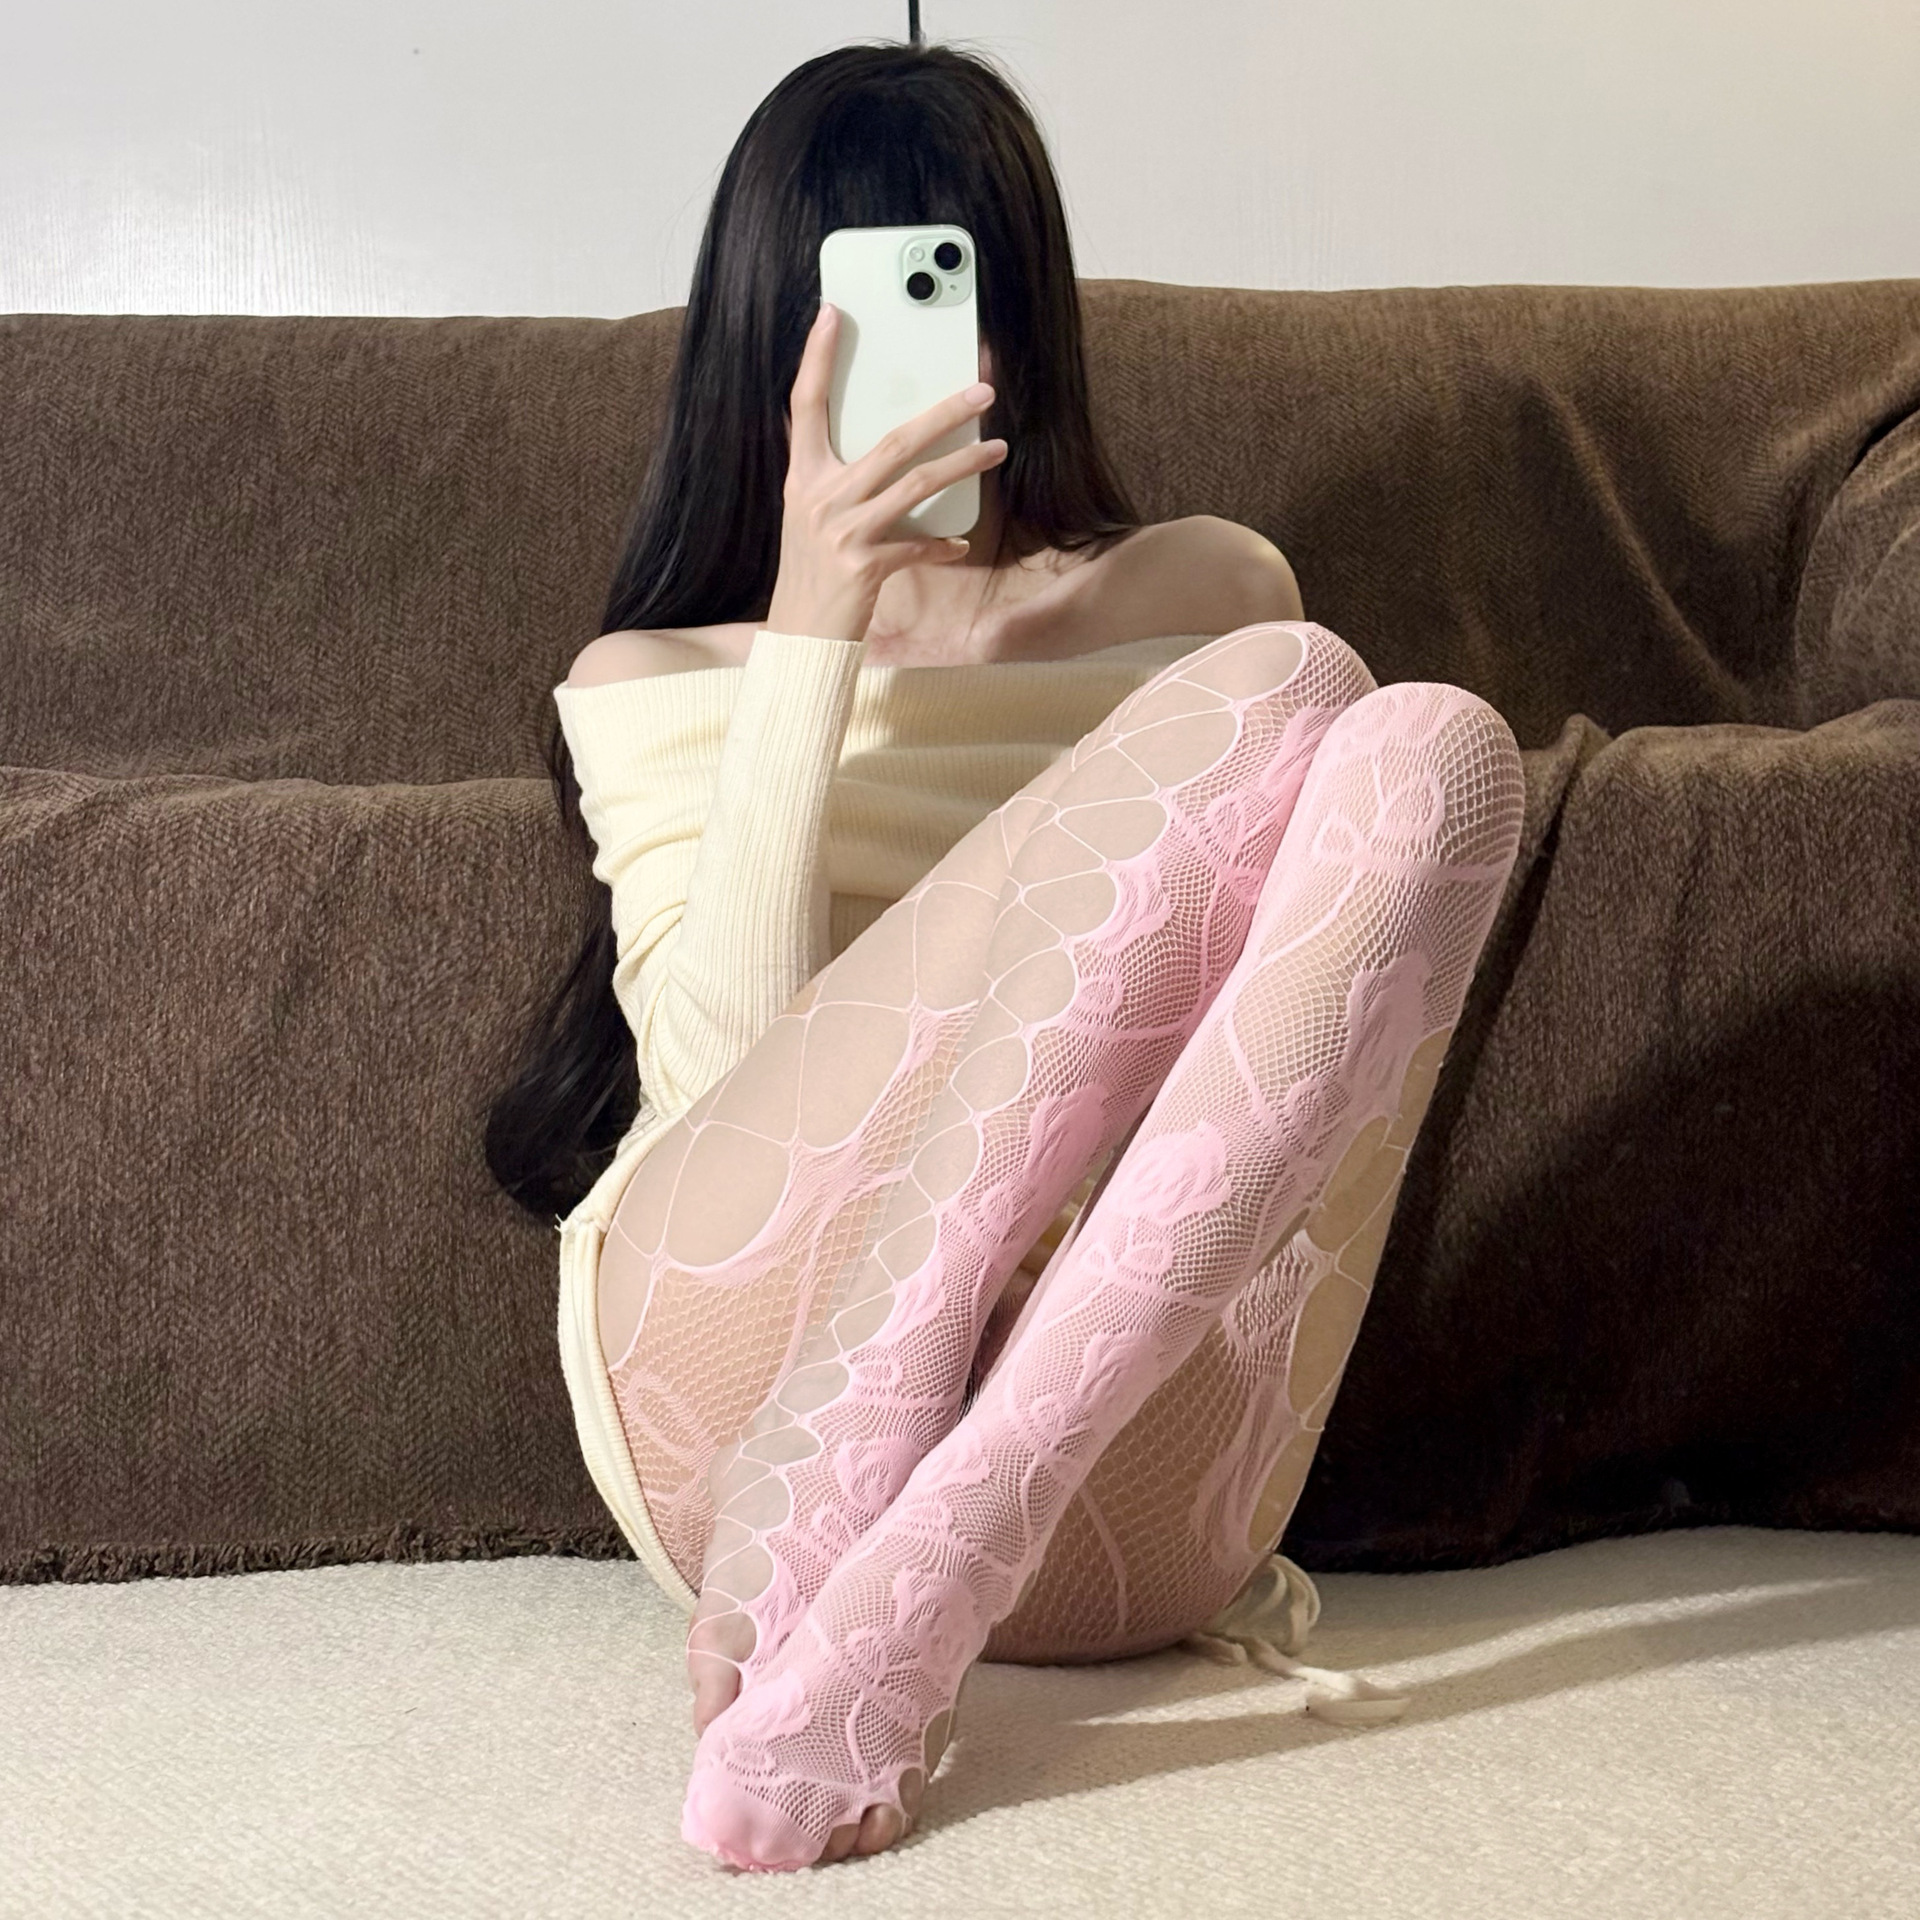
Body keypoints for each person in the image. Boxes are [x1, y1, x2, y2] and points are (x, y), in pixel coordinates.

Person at [485, 39, 1524, 1874]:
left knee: (1435, 750)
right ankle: (865, 1417)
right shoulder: (654, 676)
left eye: (952, 280)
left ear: (1022, 308)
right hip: (733, 1392)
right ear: (770, 335)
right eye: (865, 295)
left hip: (1117, 1476)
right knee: (1287, 690)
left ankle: (949, 1537)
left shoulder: (1200, 593)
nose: (926, 340)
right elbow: (717, 1080)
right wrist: (814, 628)